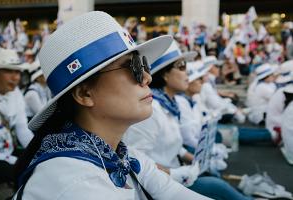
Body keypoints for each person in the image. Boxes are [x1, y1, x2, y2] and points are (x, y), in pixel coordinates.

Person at [13, 11, 209, 200]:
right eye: (132, 67)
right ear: (84, 93)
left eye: (143, 65)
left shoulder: (120, 154)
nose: (148, 77)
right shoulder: (75, 184)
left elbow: (170, 190)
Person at [124, 41, 253, 200]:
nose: (188, 74)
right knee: (216, 187)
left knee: (216, 182)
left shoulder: (170, 104)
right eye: (182, 66)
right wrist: (176, 173)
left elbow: (175, 147)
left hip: (175, 174)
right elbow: (134, 162)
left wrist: (196, 161)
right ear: (165, 74)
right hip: (159, 187)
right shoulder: (152, 109)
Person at [0, 48, 33, 185]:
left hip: (9, 155)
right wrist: (14, 161)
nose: (15, 77)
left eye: (17, 72)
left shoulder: (15, 94)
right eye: (8, 71)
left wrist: (37, 152)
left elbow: (23, 129)